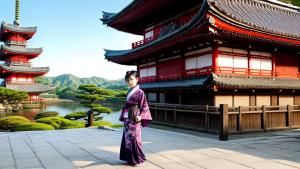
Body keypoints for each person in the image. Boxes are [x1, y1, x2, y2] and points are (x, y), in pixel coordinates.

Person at [119, 70, 152, 167]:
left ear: (137, 79)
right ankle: (129, 158)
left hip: (135, 117)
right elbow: (126, 106)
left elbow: (144, 106)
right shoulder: (129, 91)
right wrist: (123, 116)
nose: (129, 82)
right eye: (127, 80)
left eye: (131, 79)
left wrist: (140, 116)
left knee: (135, 138)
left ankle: (139, 160)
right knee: (127, 138)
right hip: (127, 118)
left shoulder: (140, 92)